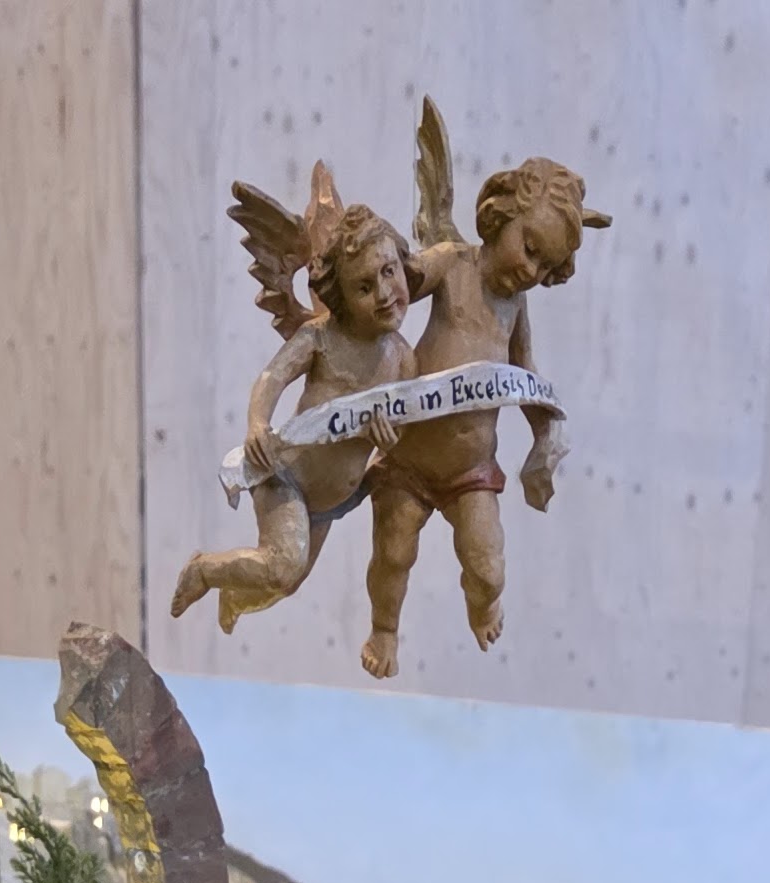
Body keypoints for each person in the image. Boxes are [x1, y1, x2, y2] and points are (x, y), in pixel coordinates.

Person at [362, 146, 604, 676]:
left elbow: (525, 377)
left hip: (471, 470)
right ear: (501, 216)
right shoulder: (452, 264)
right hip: (407, 456)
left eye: (546, 266)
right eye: (530, 248)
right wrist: (370, 266)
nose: (532, 270)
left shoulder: (515, 307)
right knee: (394, 554)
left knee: (489, 566)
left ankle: (483, 605)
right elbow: (393, 295)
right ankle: (384, 628)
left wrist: (547, 433)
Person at [170, 182, 417, 635]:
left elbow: (400, 428)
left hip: (332, 498)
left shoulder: (402, 358)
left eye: (389, 272)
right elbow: (273, 377)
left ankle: (234, 594)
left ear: (403, 263)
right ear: (341, 297)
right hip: (286, 476)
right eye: (364, 287)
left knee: (289, 582)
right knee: (284, 565)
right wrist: (257, 423)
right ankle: (205, 570)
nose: (384, 293)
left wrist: (388, 436)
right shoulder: (321, 337)